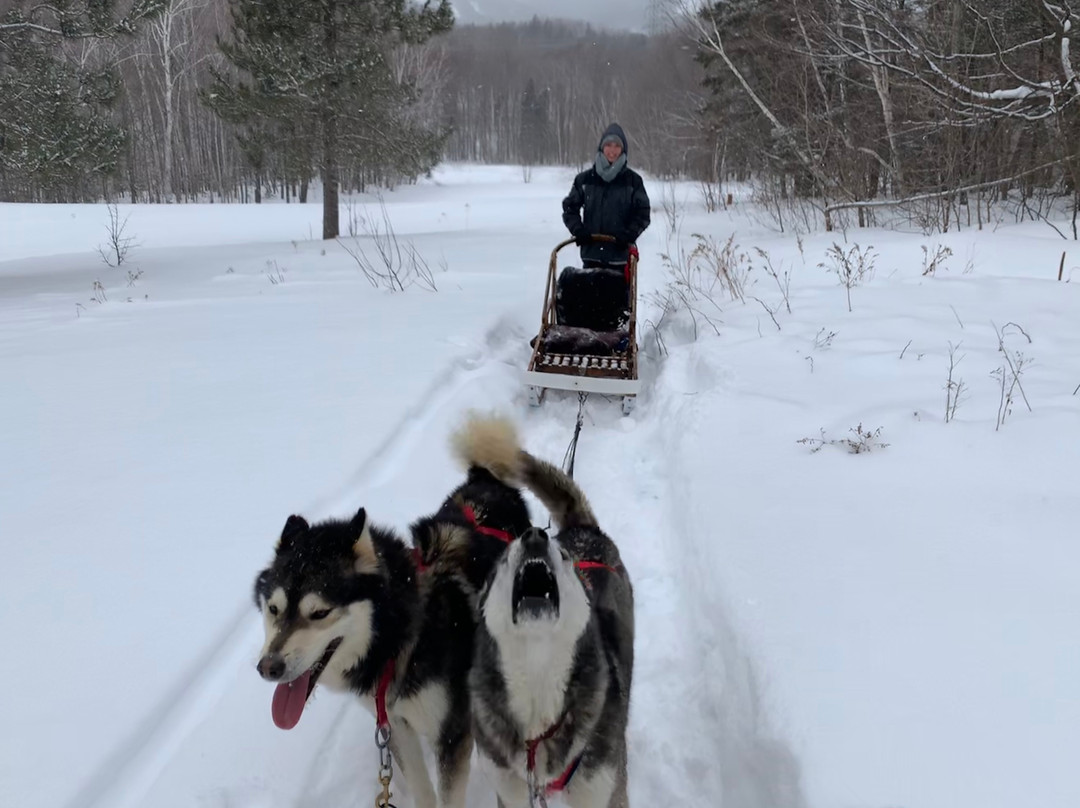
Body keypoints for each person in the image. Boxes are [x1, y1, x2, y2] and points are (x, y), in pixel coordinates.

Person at [561, 122, 651, 268]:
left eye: (617, 146)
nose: (612, 150)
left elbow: (643, 214)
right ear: (602, 147)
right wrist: (578, 230)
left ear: (623, 150)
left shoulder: (633, 181)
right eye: (608, 145)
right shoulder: (585, 180)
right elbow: (570, 207)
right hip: (591, 256)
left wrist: (629, 234)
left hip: (620, 256)